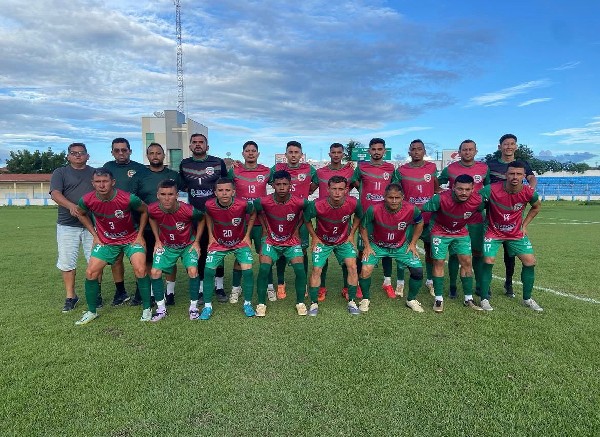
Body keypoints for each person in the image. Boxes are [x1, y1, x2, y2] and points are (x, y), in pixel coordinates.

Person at [74, 168, 152, 325]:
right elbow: (80, 213)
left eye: (105, 181)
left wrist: (140, 235)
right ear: (93, 183)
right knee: (91, 272)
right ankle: (91, 311)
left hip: (131, 239)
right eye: (98, 182)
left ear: (113, 182)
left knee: (140, 269)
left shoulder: (128, 198)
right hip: (106, 241)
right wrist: (95, 235)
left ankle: (147, 308)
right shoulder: (87, 200)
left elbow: (145, 211)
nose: (102, 185)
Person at [478, 161, 543, 312]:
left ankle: (527, 299)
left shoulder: (528, 192)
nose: (515, 177)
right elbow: (476, 205)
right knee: (488, 260)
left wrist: (524, 225)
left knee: (530, 262)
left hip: (515, 233)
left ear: (523, 176)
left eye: (519, 174)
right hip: (493, 232)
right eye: (512, 173)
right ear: (506, 175)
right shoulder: (491, 189)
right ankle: (484, 298)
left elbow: (536, 207)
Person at [420, 174, 485, 312]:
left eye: (467, 189)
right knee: (438, 262)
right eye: (460, 189)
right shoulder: (440, 198)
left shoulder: (477, 200)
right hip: (440, 231)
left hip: (461, 232)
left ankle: (468, 298)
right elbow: (421, 209)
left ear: (473, 189)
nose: (464, 192)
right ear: (453, 187)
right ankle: (438, 299)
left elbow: (482, 211)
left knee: (467, 262)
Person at [358, 183, 425, 313]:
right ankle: (365, 299)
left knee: (417, 271)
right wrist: (367, 246)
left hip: (401, 246)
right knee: (365, 270)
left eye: (397, 198)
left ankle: (411, 300)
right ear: (384, 197)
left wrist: (413, 243)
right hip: (378, 246)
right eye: (390, 197)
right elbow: (363, 225)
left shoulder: (411, 209)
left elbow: (420, 222)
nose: (394, 201)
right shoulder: (374, 209)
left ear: (402, 197)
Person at [130, 142, 182, 306]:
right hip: (147, 225)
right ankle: (152, 292)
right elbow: (133, 200)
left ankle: (170, 292)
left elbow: (185, 194)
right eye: (151, 153)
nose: (155, 156)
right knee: (148, 259)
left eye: (158, 153)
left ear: (163, 155)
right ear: (147, 156)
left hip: (169, 225)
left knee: (170, 259)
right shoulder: (140, 176)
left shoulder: (173, 175)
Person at [179, 133, 229, 303]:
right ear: (190, 146)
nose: (198, 144)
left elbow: (226, 183)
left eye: (201, 142)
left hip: (217, 216)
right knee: (199, 250)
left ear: (207, 146)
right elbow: (184, 186)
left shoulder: (217, 162)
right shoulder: (185, 164)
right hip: (196, 216)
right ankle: (200, 288)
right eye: (194, 142)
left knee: (218, 249)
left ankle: (219, 287)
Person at [437, 139, 490, 298]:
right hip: (455, 219)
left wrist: (482, 203)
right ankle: (453, 285)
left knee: (478, 253)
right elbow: (436, 184)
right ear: (459, 152)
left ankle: (480, 285)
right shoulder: (450, 169)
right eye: (464, 150)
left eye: (470, 149)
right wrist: (445, 198)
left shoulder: (484, 168)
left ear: (476, 151)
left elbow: (489, 188)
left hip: (476, 219)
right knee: (455, 254)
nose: (467, 152)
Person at [198, 178, 257, 320]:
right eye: (220, 190)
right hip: (219, 242)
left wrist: (247, 235)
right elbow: (207, 215)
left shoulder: (243, 204)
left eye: (227, 190)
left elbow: (254, 213)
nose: (224, 193)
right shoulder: (209, 204)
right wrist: (211, 236)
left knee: (248, 271)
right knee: (208, 271)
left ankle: (248, 304)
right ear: (215, 193)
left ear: (233, 192)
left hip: (239, 241)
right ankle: (207, 306)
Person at [488, 133, 538, 298]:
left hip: (512, 213)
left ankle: (508, 282)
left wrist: (530, 190)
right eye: (505, 144)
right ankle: (485, 286)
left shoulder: (522, 165)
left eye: (512, 144)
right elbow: (483, 184)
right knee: (487, 253)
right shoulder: (491, 164)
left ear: (516, 146)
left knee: (510, 253)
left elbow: (532, 178)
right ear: (500, 147)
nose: (509, 147)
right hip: (493, 212)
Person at [147, 179, 204, 321]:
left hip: (187, 245)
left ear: (177, 195)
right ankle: (161, 309)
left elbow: (202, 219)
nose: (167, 198)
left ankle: (193, 307)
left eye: (170, 194)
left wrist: (197, 242)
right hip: (166, 245)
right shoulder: (152, 208)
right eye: (163, 194)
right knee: (154, 272)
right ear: (157, 195)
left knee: (193, 271)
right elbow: (152, 218)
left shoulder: (188, 209)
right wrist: (157, 240)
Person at [103, 137, 150, 306]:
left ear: (130, 151)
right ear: (112, 152)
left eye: (124, 150)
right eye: (117, 150)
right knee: (116, 258)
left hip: (135, 220)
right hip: (113, 221)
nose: (121, 153)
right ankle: (120, 291)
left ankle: (140, 291)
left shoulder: (140, 169)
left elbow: (145, 192)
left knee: (138, 258)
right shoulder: (107, 168)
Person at [49, 142, 96, 312]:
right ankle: (71, 296)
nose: (78, 155)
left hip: (92, 225)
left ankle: (95, 294)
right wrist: (71, 206)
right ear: (68, 156)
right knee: (67, 261)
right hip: (67, 224)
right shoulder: (60, 172)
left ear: (87, 156)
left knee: (95, 261)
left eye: (81, 152)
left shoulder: (94, 173)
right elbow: (55, 193)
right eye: (74, 153)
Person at [254, 170, 308, 317]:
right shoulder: (263, 201)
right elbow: (257, 210)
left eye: (285, 184)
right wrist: (264, 228)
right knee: (264, 269)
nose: (282, 187)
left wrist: (297, 229)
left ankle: (300, 303)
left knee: (300, 270)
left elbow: (307, 211)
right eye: (278, 184)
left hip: (291, 240)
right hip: (271, 240)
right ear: (273, 185)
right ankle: (261, 304)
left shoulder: (299, 202)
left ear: (290, 185)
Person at [304, 176, 361, 316]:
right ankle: (313, 303)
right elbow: (306, 219)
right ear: (328, 189)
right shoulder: (317, 204)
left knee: (352, 266)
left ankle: (352, 301)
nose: (337, 192)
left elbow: (358, 216)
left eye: (341, 189)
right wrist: (314, 237)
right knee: (316, 269)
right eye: (334, 189)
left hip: (343, 240)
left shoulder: (353, 202)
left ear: (346, 190)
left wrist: (351, 234)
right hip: (323, 241)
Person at [227, 140, 276, 303]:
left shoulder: (267, 171)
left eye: (253, 150)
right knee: (240, 256)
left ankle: (270, 287)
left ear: (258, 153)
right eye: (247, 151)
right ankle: (236, 288)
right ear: (242, 154)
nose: (250, 153)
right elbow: (224, 188)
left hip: (262, 222)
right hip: (241, 222)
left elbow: (281, 183)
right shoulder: (234, 171)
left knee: (265, 255)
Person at [350, 138, 398, 299]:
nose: (376, 152)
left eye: (380, 149)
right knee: (362, 249)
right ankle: (358, 282)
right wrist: (363, 190)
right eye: (374, 149)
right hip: (366, 215)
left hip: (386, 215)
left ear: (384, 151)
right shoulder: (362, 167)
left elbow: (395, 188)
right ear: (369, 151)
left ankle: (387, 282)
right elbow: (353, 181)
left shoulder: (390, 168)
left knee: (387, 249)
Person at [269, 141, 318, 299]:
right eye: (290, 152)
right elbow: (266, 180)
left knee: (302, 251)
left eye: (296, 152)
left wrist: (307, 191)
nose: (293, 155)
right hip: (281, 216)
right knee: (281, 250)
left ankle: (303, 283)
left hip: (300, 218)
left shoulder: (309, 169)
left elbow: (317, 182)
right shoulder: (277, 168)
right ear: (286, 154)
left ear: (301, 155)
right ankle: (281, 283)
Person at [397, 139, 440, 297]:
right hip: (409, 219)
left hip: (429, 218)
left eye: (419, 149)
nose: (416, 151)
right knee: (403, 250)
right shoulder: (401, 170)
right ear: (409, 152)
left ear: (424, 151)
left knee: (430, 251)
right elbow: (396, 192)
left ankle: (430, 281)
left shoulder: (432, 167)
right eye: (413, 149)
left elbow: (436, 189)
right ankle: (400, 282)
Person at [314, 143, 355, 301]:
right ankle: (321, 288)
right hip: (324, 217)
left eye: (339, 152)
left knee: (347, 259)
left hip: (343, 217)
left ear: (343, 154)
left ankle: (347, 287)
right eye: (333, 152)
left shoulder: (350, 171)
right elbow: (310, 188)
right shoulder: (320, 172)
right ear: (329, 154)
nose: (336, 155)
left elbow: (359, 184)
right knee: (322, 259)